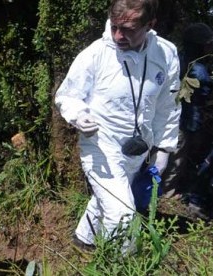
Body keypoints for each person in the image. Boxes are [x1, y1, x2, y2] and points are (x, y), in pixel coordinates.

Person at [54, 0, 181, 248]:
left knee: (111, 197)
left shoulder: (165, 53)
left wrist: (164, 147)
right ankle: (120, 266)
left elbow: (169, 104)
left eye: (129, 29)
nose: (118, 36)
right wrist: (78, 115)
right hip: (100, 145)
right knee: (122, 215)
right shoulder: (95, 53)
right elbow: (67, 95)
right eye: (114, 27)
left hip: (137, 146)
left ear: (150, 25)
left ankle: (84, 240)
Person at [162, 23, 213, 218]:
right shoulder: (198, 70)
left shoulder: (181, 59)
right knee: (178, 156)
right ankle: (168, 193)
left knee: (176, 155)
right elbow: (204, 93)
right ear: (199, 45)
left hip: (177, 117)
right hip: (187, 120)